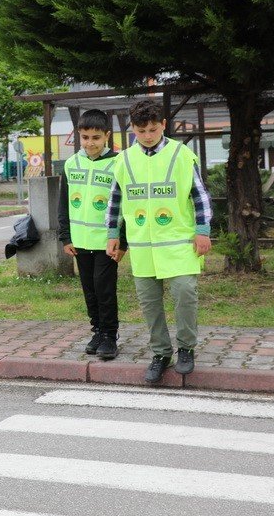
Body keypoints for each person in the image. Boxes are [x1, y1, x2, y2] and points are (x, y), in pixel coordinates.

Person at [106, 99, 212, 382]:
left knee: (185, 296)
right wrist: (113, 235)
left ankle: (186, 349)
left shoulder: (181, 154)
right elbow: (115, 200)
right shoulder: (124, 159)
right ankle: (161, 353)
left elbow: (199, 195)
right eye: (141, 131)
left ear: (164, 125)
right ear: (132, 129)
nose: (148, 136)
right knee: (150, 305)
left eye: (153, 129)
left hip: (179, 244)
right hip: (142, 247)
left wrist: (203, 230)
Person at [58, 109, 126, 360]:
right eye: (85, 137)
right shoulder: (71, 163)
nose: (90, 143)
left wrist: (123, 242)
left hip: (107, 242)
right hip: (80, 241)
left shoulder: (118, 163)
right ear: (79, 136)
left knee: (104, 288)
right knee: (89, 288)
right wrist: (65, 237)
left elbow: (126, 206)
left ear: (107, 136)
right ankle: (97, 330)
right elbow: (63, 203)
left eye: (96, 137)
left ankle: (110, 335)